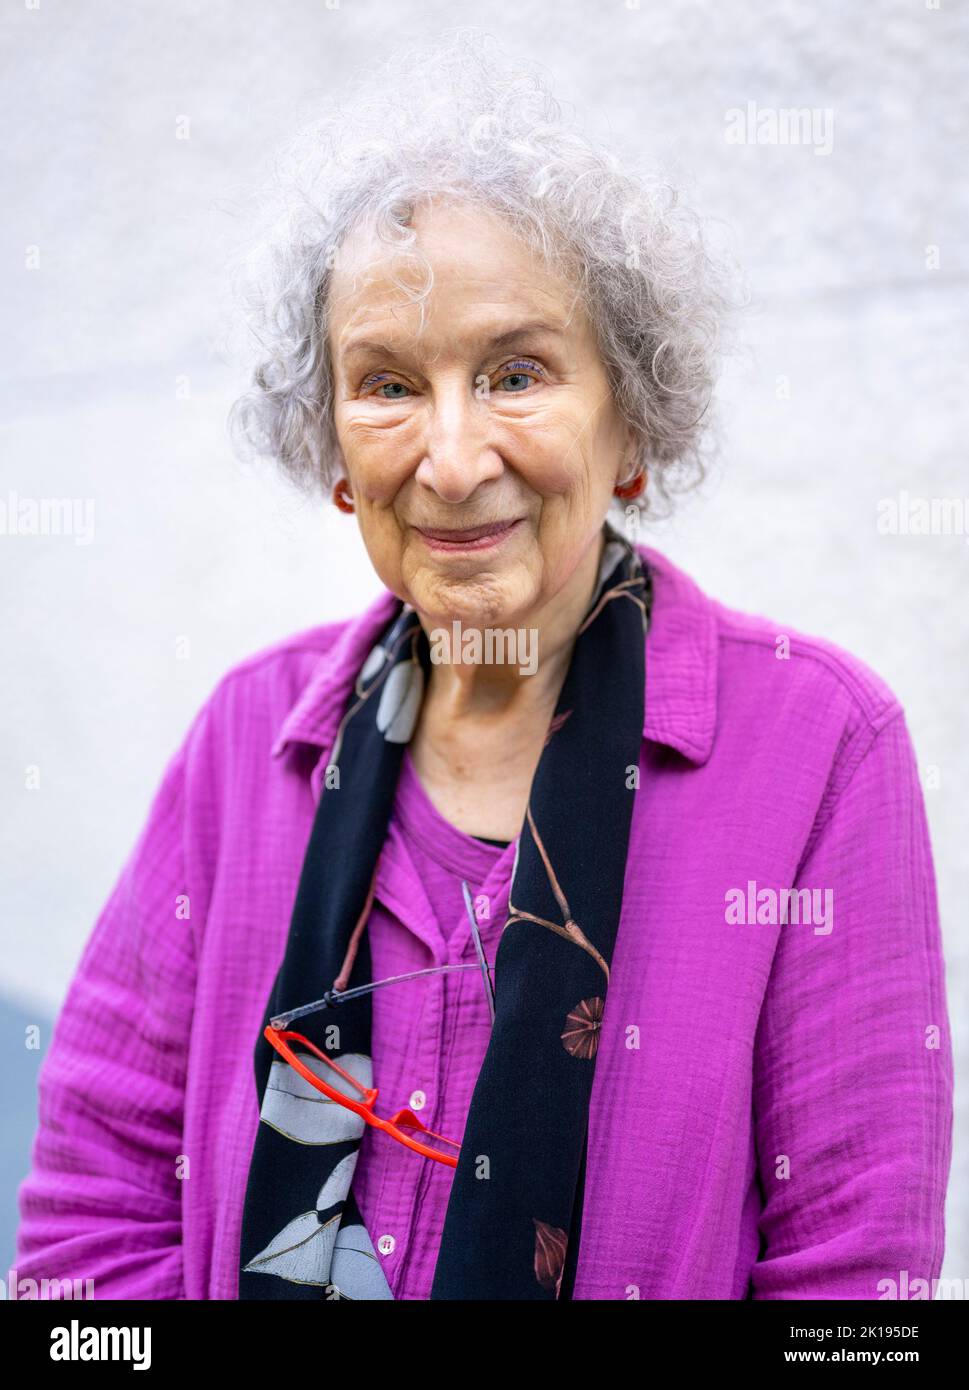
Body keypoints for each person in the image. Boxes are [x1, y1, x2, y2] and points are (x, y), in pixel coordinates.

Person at [15, 32, 952, 1301]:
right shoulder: (245, 741)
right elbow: (87, 1237)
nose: (451, 461)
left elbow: (857, 1299)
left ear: (630, 420)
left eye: (516, 373)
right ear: (336, 455)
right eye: (389, 385)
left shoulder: (821, 748)